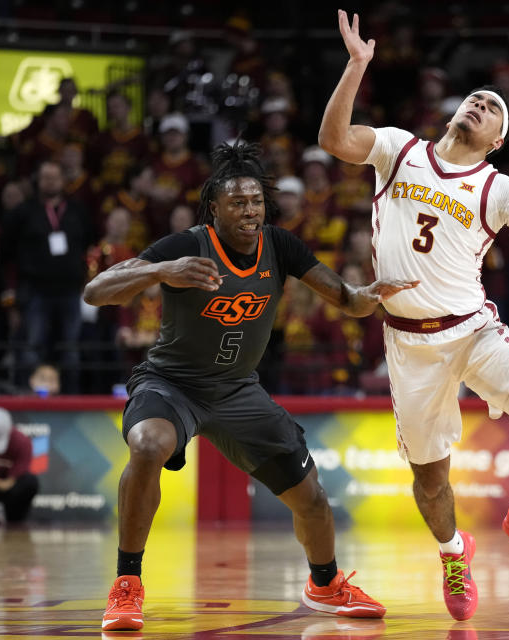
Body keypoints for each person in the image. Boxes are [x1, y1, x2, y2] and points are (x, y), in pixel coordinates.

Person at [318, 10, 509, 621]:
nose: (479, 104)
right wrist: (356, 67)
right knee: (430, 481)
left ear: (497, 138)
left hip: (473, 330)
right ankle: (455, 553)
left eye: (492, 107)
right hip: (410, 344)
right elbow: (334, 142)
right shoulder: (399, 150)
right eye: (475, 98)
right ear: (454, 112)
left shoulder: (497, 185)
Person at [83, 142, 413, 631]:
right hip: (173, 384)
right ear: (214, 207)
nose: (250, 210)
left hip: (239, 390)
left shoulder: (280, 246)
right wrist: (159, 270)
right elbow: (95, 291)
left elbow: (345, 298)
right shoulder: (184, 247)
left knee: (313, 499)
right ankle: (127, 585)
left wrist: (369, 297)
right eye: (238, 202)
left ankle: (324, 584)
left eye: (256, 201)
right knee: (149, 443)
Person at [0, 160, 94, 393]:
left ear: (63, 181)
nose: (50, 182)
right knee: (33, 346)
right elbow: (6, 254)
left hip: (71, 290)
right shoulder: (23, 212)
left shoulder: (77, 210)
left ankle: (72, 400)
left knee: (71, 349)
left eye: (55, 177)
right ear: (37, 181)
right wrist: (10, 293)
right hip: (35, 290)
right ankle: (30, 399)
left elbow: (89, 248)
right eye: (45, 177)